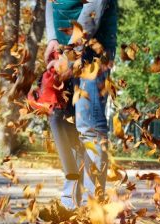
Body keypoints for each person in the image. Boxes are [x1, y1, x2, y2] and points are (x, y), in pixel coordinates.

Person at [44, 0, 118, 212]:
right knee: (64, 123)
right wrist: (52, 39)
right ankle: (70, 203)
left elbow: (94, 6)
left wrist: (72, 52)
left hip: (93, 48)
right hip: (64, 46)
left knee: (89, 126)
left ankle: (90, 208)